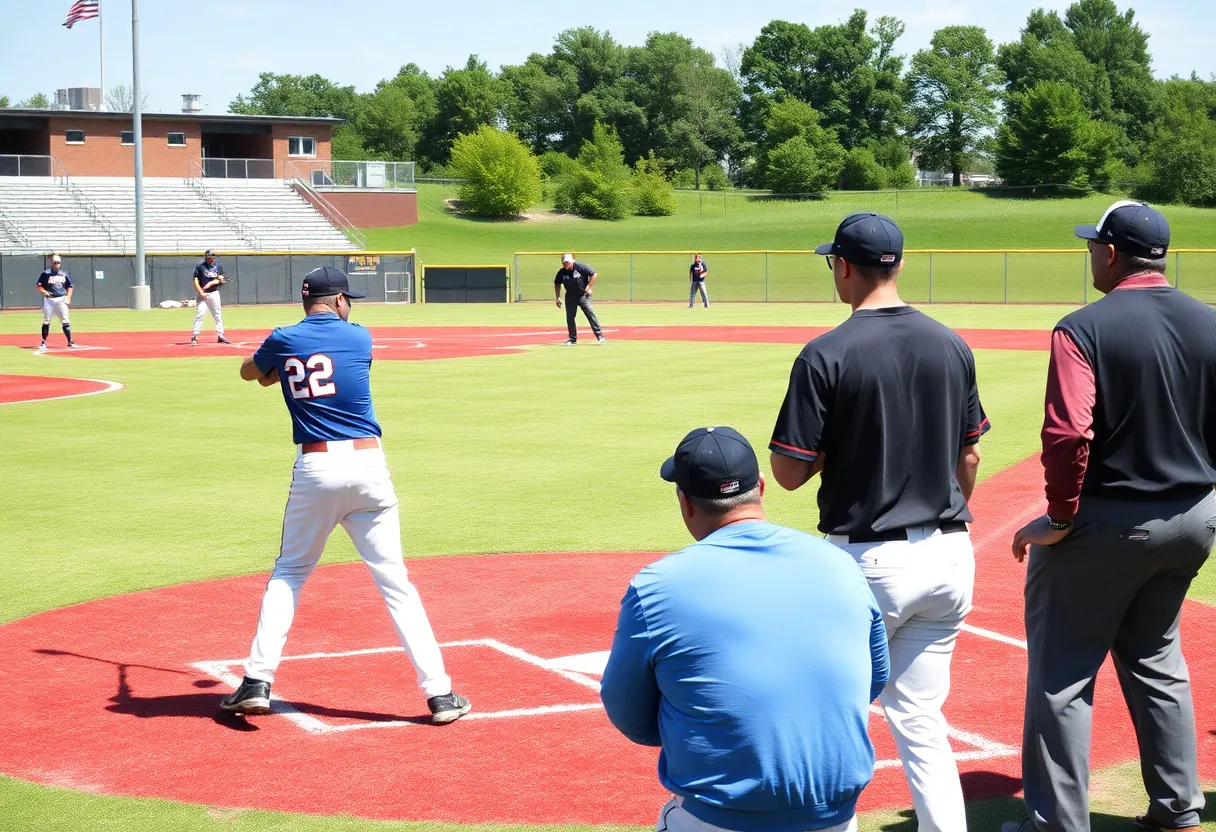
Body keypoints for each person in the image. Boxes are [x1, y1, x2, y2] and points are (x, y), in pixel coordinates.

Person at [768, 212, 989, 832]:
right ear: (896, 263)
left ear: (843, 266)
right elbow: (969, 453)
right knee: (921, 724)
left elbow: (788, 472)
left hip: (868, 562)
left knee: (829, 713)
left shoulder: (826, 352)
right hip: (950, 554)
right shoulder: (950, 342)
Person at [1007, 202, 1216, 832]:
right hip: (1193, 519)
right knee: (1156, 660)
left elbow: (1069, 433)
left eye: (1094, 245)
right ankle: (1179, 807)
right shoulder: (1209, 321)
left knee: (1062, 677)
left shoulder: (1082, 327)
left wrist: (1060, 518)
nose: (1090, 254)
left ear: (1112, 252)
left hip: (1107, 525)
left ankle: (1059, 824)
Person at [601, 426, 888, 832]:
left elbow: (627, 712)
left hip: (718, 816)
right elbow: (874, 680)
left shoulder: (657, 584)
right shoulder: (840, 563)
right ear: (761, 488)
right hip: (836, 817)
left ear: (686, 503)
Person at [225, 265, 470, 725]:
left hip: (315, 467)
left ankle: (257, 680)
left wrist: (273, 368)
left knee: (291, 571)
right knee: (396, 583)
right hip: (369, 466)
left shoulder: (283, 337)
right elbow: (338, 371)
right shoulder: (359, 337)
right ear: (338, 300)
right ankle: (439, 693)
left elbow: (250, 374)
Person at [554, 253, 604, 345]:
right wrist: (558, 297)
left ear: (572, 261)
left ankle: (599, 336)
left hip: (582, 295)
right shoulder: (562, 272)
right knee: (570, 318)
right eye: (564, 263)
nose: (566, 264)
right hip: (570, 296)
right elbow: (557, 283)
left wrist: (589, 287)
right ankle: (572, 338)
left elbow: (594, 274)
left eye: (568, 262)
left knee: (590, 314)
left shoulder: (580, 267)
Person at [36, 254, 75, 350]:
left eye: (58, 263)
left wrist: (69, 297)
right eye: (55, 262)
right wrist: (44, 292)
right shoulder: (45, 273)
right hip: (49, 300)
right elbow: (39, 285)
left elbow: (70, 286)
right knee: (47, 320)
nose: (56, 264)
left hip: (61, 299)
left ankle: (70, 341)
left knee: (65, 320)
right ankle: (43, 342)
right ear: (51, 262)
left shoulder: (64, 274)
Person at [192, 249, 231, 346]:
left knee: (217, 314)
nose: (210, 259)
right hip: (203, 295)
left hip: (214, 293)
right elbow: (195, 281)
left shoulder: (217, 267)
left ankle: (220, 335)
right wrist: (200, 292)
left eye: (212, 258)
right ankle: (195, 336)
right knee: (200, 313)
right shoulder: (200, 267)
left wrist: (221, 280)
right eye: (209, 258)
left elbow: (220, 280)